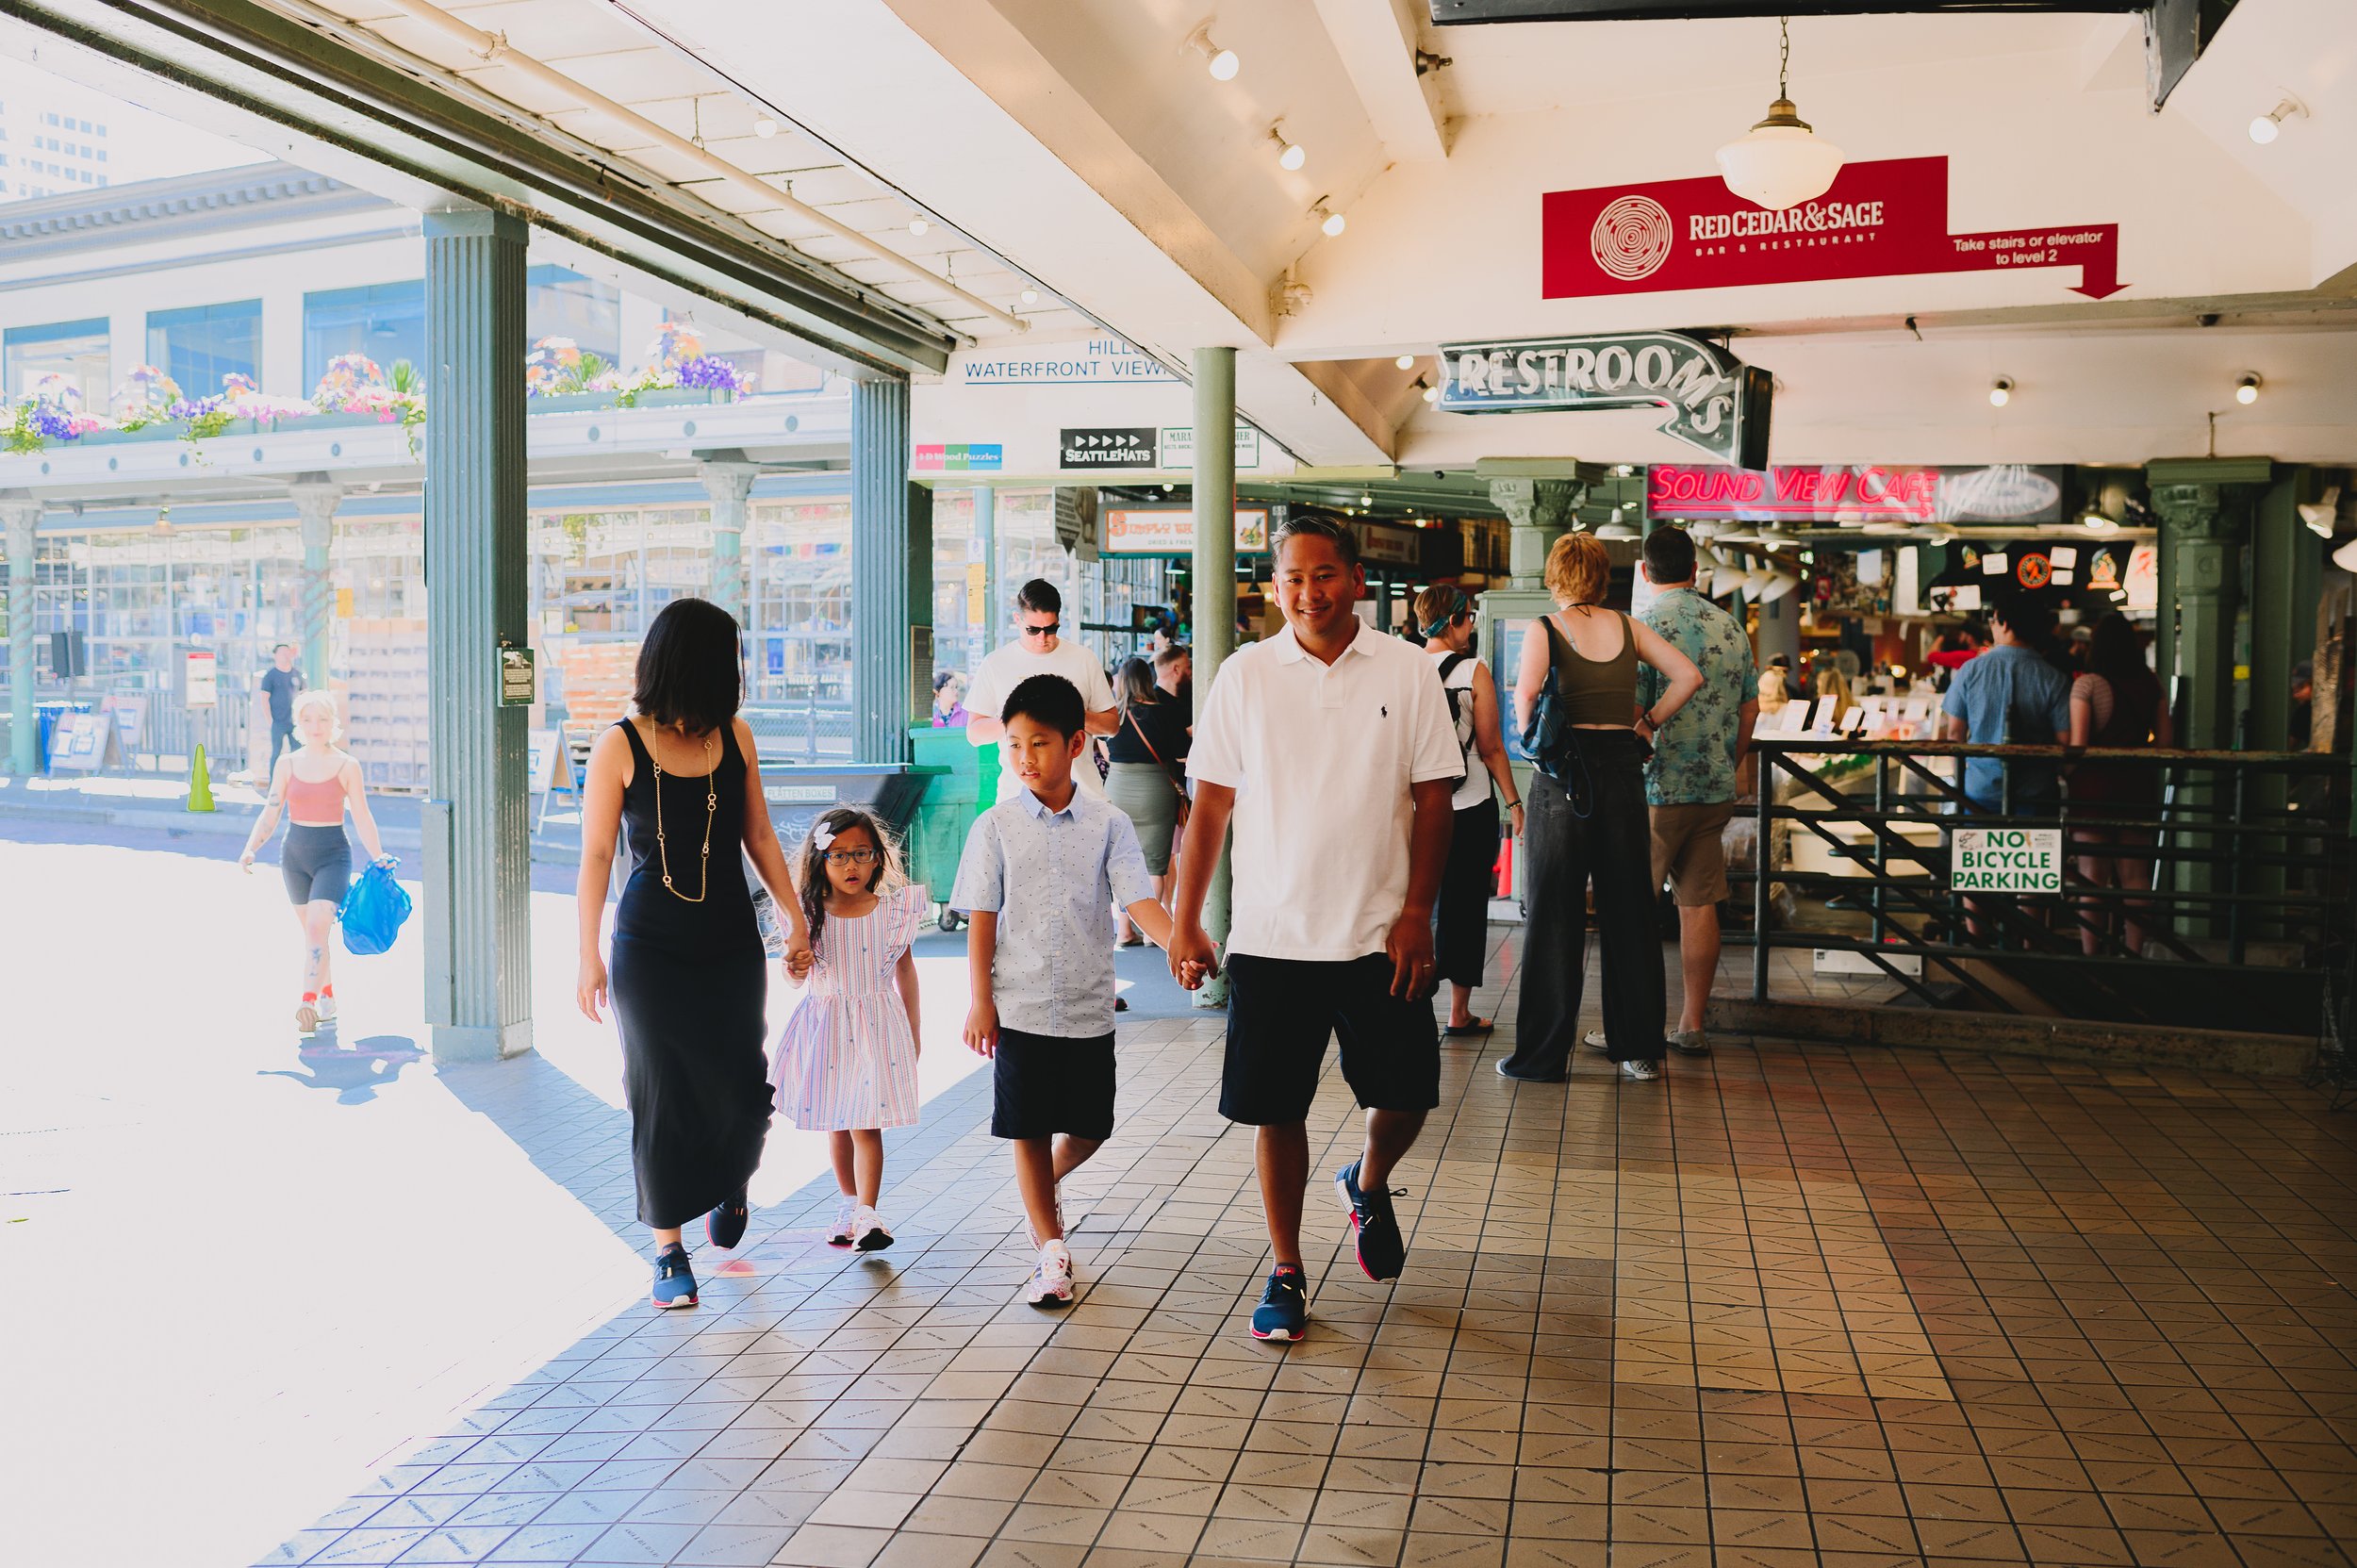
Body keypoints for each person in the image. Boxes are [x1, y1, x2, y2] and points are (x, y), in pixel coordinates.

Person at [1168, 511, 1461, 1344]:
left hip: (1378, 934)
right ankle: (1288, 1269)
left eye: (1323, 574)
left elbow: (1435, 797)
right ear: (1273, 586)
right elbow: (1211, 806)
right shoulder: (1244, 675)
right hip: (1271, 934)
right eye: (1292, 577)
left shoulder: (1408, 672)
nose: (1308, 591)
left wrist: (1415, 914)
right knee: (1275, 1108)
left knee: (1407, 1094)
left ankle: (1367, 1181)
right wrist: (1188, 923)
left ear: (1356, 580)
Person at [575, 598, 814, 1312]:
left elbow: (762, 836)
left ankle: (732, 1174)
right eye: (729, 658)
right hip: (649, 948)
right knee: (660, 1090)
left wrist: (796, 920)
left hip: (728, 938)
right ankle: (669, 1250)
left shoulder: (733, 736)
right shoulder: (620, 742)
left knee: (742, 1079)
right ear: (698, 663)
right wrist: (586, 954)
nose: (736, 674)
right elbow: (594, 854)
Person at [953, 674, 1178, 1308]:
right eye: (1014, 744)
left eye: (1040, 743)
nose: (1024, 757)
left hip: (1087, 1006)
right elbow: (982, 917)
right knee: (1026, 1127)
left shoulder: (1108, 822)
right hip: (1018, 1004)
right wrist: (980, 999)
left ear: (1077, 743)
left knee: (1088, 1129)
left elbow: (1140, 899)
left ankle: (1040, 1191)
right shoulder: (993, 827)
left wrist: (1179, 944)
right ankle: (1050, 1250)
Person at [1498, 531, 1702, 1084]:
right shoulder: (1628, 626)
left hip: (1563, 779)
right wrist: (1646, 723)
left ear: (1555, 575)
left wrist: (1538, 744)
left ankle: (1541, 1057)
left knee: (1553, 915)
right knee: (1630, 912)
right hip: (1621, 771)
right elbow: (1690, 676)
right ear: (1601, 575)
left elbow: (1525, 708)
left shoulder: (1546, 630)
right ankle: (1639, 1051)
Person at [1610, 526, 1756, 1061]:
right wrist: (1729, 762)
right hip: (1713, 791)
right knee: (1698, 906)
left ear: (1645, 574)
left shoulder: (1643, 627)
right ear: (1697, 570)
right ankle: (1691, 1024)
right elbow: (1750, 710)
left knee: (1633, 907)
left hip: (1655, 790)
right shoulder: (1731, 627)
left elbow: (1631, 713)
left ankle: (1630, 1027)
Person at [770, 807, 927, 1251]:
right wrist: (793, 970)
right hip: (827, 1027)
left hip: (877, 1025)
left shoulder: (893, 912)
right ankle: (849, 1203)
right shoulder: (804, 914)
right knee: (838, 1121)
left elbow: (906, 972)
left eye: (860, 853)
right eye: (837, 856)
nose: (850, 865)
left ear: (878, 857)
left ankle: (868, 1212)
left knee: (866, 1122)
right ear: (820, 860)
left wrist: (914, 1030)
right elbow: (793, 976)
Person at [239, 690, 391, 1038]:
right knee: (315, 936)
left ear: (333, 723)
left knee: (316, 929)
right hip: (294, 857)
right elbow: (272, 810)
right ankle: (328, 994)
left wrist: (378, 855)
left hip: (333, 855)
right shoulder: (287, 764)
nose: (315, 726)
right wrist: (251, 848)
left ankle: (307, 1001)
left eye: (322, 719)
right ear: (298, 723)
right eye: (307, 720)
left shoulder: (347, 765)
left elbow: (362, 815)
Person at [1410, 585, 1524, 1038]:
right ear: (1454, 620)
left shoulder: (1403, 668)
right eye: (1469, 617)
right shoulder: (1474, 671)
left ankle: (1412, 1002)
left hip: (1417, 807)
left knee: (1415, 903)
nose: (1472, 625)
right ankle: (1458, 1012)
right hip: (1471, 802)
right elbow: (1493, 747)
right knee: (1464, 906)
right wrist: (1514, 803)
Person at [2068, 614, 2169, 957]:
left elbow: (2079, 744)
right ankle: (2135, 952)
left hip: (2093, 790)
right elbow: (2166, 745)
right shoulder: (2151, 683)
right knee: (2135, 877)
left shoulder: (2087, 685)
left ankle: (2091, 953)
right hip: (2137, 787)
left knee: (2091, 879)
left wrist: (2065, 770)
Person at [964, 580, 1118, 802]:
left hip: (1083, 797)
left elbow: (1111, 726)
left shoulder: (1083, 659)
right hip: (1017, 798)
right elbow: (974, 734)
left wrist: (1069, 713)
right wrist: (1016, 717)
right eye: (1033, 629)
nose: (1042, 638)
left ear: (1058, 620)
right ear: (1017, 620)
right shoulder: (996, 663)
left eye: (1051, 629)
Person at [1938, 593, 2072, 812]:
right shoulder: (2054, 678)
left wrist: (1960, 781)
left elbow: (1955, 734)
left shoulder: (1971, 670)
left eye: (1992, 621)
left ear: (2005, 624)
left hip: (1979, 792)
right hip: (2037, 795)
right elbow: (2064, 741)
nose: (1991, 627)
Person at [1103, 656, 1190, 945]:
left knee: (1122, 862)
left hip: (1117, 788)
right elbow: (1182, 752)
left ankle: (1125, 930)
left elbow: (1106, 752)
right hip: (1155, 791)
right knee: (1154, 864)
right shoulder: (1163, 712)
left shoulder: (1111, 714)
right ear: (1147, 679)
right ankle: (1153, 932)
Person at [259, 643, 305, 763]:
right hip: (278, 721)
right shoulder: (270, 676)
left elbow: (304, 694)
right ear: (275, 655)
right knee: (276, 753)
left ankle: (296, 780)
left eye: (287, 652)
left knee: (297, 752)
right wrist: (270, 721)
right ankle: (274, 780)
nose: (285, 655)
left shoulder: (297, 674)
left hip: (294, 722)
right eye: (282, 653)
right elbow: (264, 700)